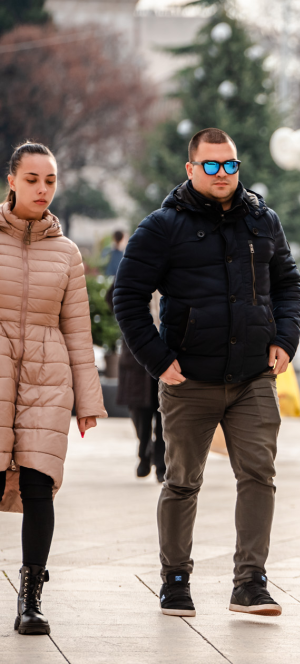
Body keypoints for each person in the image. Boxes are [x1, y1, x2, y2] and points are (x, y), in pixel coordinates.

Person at [113, 128, 300, 618]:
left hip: (253, 377)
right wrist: (158, 359)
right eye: (212, 165)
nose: (223, 174)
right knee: (182, 480)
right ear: (191, 168)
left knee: (259, 474)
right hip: (188, 378)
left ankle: (250, 582)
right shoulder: (162, 226)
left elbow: (288, 284)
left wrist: (285, 339)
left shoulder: (264, 220)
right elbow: (127, 298)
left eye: (231, 165)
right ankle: (175, 580)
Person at [1, 142, 106, 635]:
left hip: (48, 378)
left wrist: (88, 400)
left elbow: (78, 331)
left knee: (39, 485)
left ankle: (31, 599)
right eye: (33, 179)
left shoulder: (67, 253)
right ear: (12, 182)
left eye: (50, 181)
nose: (43, 189)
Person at [107, 284, 166, 481]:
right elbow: (113, 296)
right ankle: (144, 452)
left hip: (167, 351)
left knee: (164, 413)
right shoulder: (136, 264)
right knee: (139, 411)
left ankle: (161, 464)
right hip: (137, 353)